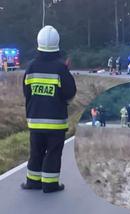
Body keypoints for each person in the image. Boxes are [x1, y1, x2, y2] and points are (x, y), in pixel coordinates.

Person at [21, 26, 77, 193]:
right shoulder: (61, 69)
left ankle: (32, 182)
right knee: (53, 153)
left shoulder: (31, 67)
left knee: (36, 151)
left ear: (38, 44)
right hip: (55, 123)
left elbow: (26, 93)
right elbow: (70, 93)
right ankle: (50, 184)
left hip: (35, 121)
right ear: (57, 46)